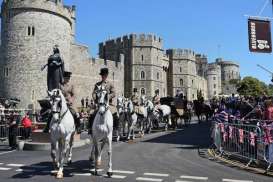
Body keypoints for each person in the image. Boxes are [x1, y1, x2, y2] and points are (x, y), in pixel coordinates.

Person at [89, 68, 116, 134]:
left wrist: (107, 97)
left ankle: (115, 129)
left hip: (108, 104)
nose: (103, 76)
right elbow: (94, 93)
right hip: (99, 104)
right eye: (102, 75)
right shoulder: (97, 84)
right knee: (92, 114)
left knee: (115, 114)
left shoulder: (110, 84)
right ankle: (90, 128)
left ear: (106, 75)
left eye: (104, 75)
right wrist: (96, 99)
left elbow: (114, 93)